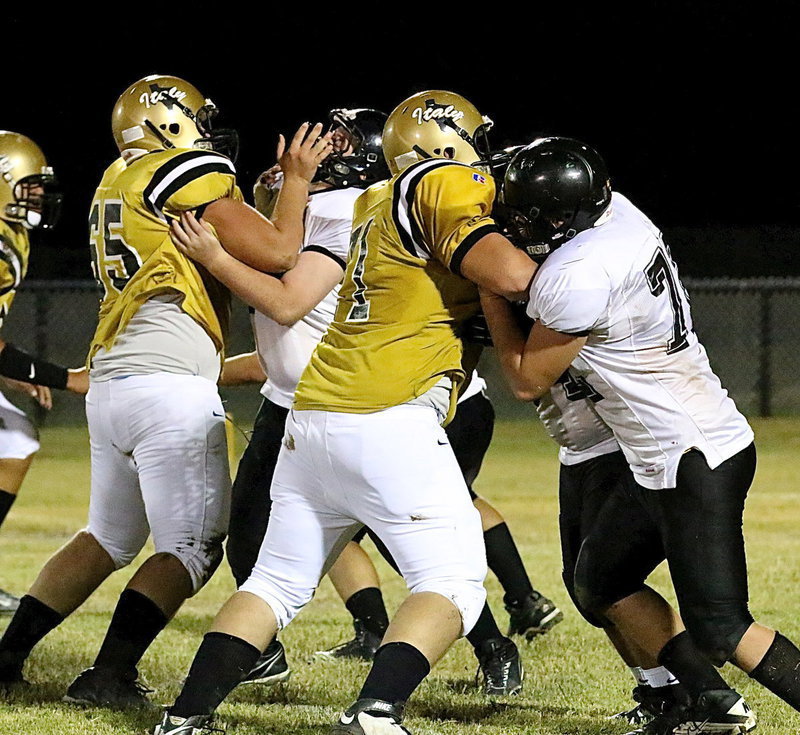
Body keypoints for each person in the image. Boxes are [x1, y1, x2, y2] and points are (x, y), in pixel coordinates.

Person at [154, 89, 538, 735]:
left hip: (312, 415)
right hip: (388, 415)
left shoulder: (374, 200)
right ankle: (376, 711)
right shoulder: (441, 183)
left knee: (275, 582)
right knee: (455, 581)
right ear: (444, 141)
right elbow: (516, 277)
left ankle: (183, 716)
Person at [0, 74, 330, 708]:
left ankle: (8, 653)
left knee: (107, 537)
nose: (208, 131)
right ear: (168, 123)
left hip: (116, 379)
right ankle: (108, 674)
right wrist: (295, 183)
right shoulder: (186, 169)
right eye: (197, 119)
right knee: (192, 547)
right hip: (167, 389)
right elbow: (281, 253)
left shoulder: (113, 178)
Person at [483, 136, 800, 732]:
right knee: (598, 579)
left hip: (692, 452)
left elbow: (527, 379)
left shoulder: (581, 271)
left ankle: (714, 697)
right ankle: (691, 701)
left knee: (723, 625)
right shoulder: (615, 213)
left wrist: (485, 287)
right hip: (657, 450)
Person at [0, 131, 89, 614]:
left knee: (15, 439)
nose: (37, 196)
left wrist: (11, 370)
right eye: (28, 185)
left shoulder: (9, 234)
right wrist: (66, 378)